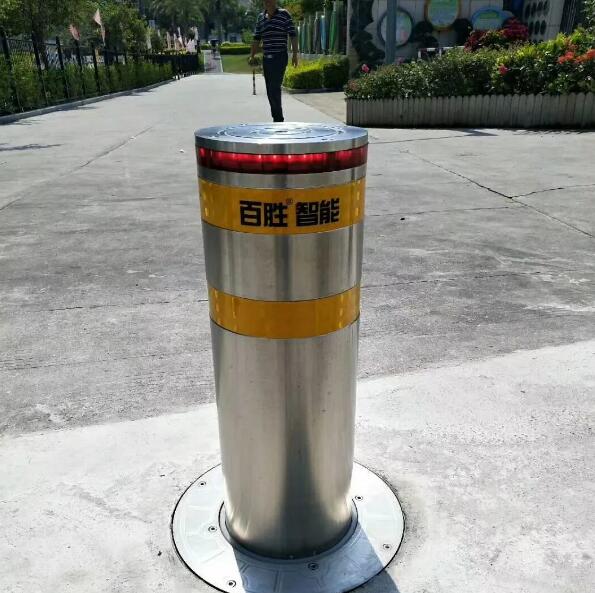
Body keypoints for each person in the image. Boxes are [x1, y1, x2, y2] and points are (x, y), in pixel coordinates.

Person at [250, 0, 298, 123]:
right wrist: (252, 55)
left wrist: (295, 54)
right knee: (270, 90)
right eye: (265, 1)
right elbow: (256, 38)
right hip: (267, 59)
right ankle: (276, 117)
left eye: (270, 0)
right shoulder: (261, 18)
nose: (267, 2)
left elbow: (293, 35)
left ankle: (278, 119)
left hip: (280, 57)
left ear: (274, 1)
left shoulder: (284, 14)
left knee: (274, 87)